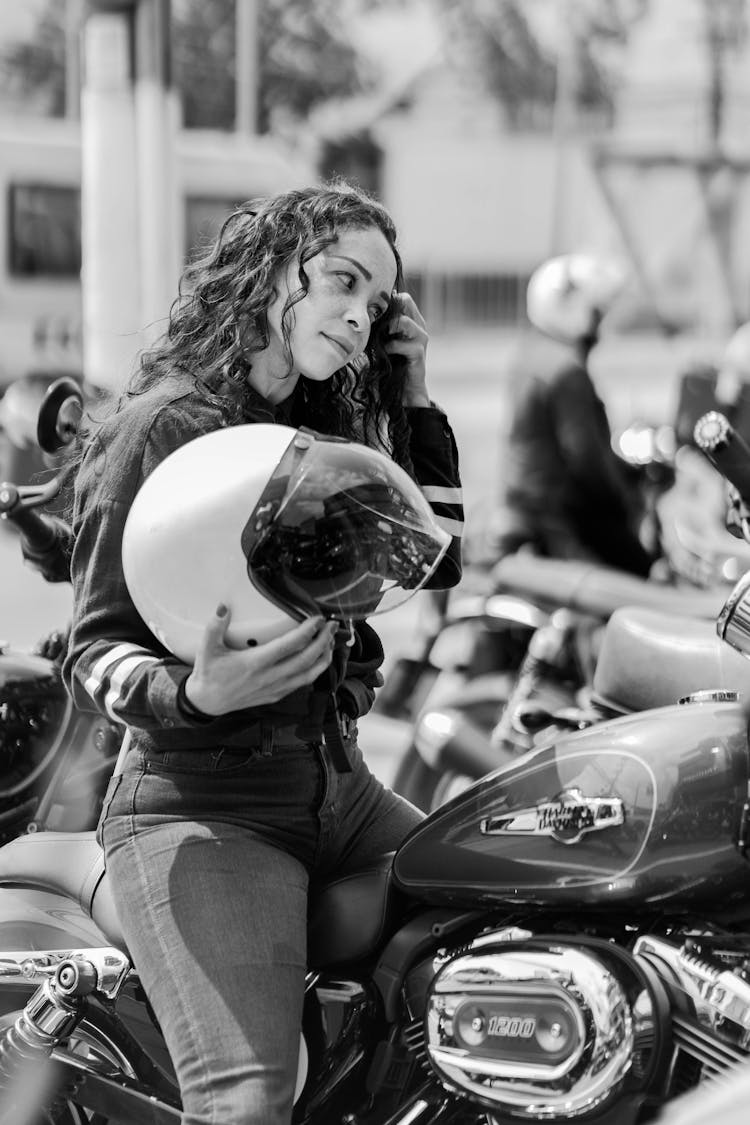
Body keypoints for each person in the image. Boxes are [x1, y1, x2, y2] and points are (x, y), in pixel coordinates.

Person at [62, 181, 463, 1125]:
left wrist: (413, 398)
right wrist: (196, 693)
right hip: (203, 809)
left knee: (518, 930)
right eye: (340, 281)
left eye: (378, 299)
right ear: (272, 271)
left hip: (340, 789)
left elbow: (437, 560)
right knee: (245, 1103)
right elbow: (91, 653)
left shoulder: (318, 431)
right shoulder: (163, 426)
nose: (361, 315)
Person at [492, 252, 654, 577]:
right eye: (596, 312)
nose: (599, 325)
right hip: (557, 514)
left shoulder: (528, 354)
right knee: (643, 571)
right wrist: (624, 497)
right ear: (573, 310)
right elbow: (587, 459)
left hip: (523, 501)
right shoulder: (567, 371)